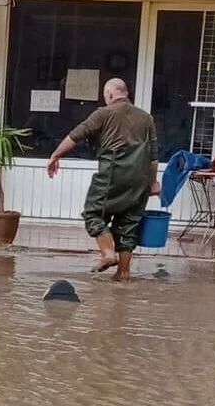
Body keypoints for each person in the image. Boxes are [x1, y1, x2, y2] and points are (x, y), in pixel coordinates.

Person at [46, 79, 160, 281]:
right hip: (140, 179)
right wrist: (153, 182)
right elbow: (154, 156)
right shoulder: (146, 118)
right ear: (126, 93)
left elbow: (76, 135)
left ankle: (108, 254)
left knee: (93, 213)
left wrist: (55, 155)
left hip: (113, 174)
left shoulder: (104, 113)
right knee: (128, 224)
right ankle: (123, 274)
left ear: (109, 94)